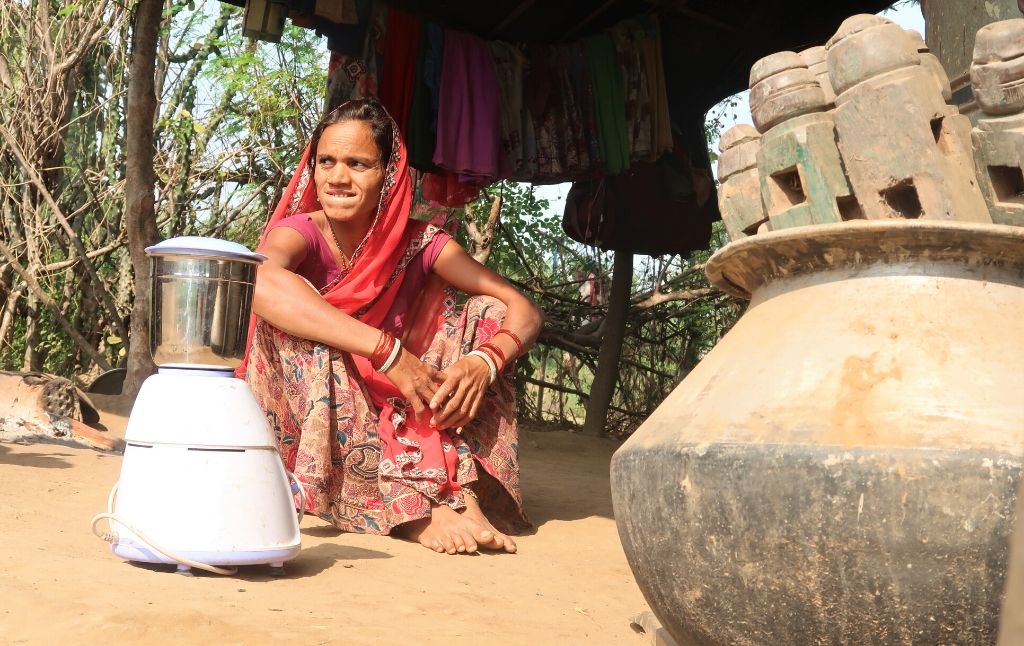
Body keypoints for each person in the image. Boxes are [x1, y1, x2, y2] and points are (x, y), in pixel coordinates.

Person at [241, 98, 543, 555]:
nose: (337, 177)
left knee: (489, 314)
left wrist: (484, 361)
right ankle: (413, 509)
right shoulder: (299, 231)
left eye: (358, 164)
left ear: (389, 174)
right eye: (326, 161)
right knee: (298, 321)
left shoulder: (420, 242)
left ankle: (463, 488)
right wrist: (386, 351)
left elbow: (522, 308)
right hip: (340, 394)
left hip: (412, 394)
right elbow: (259, 281)